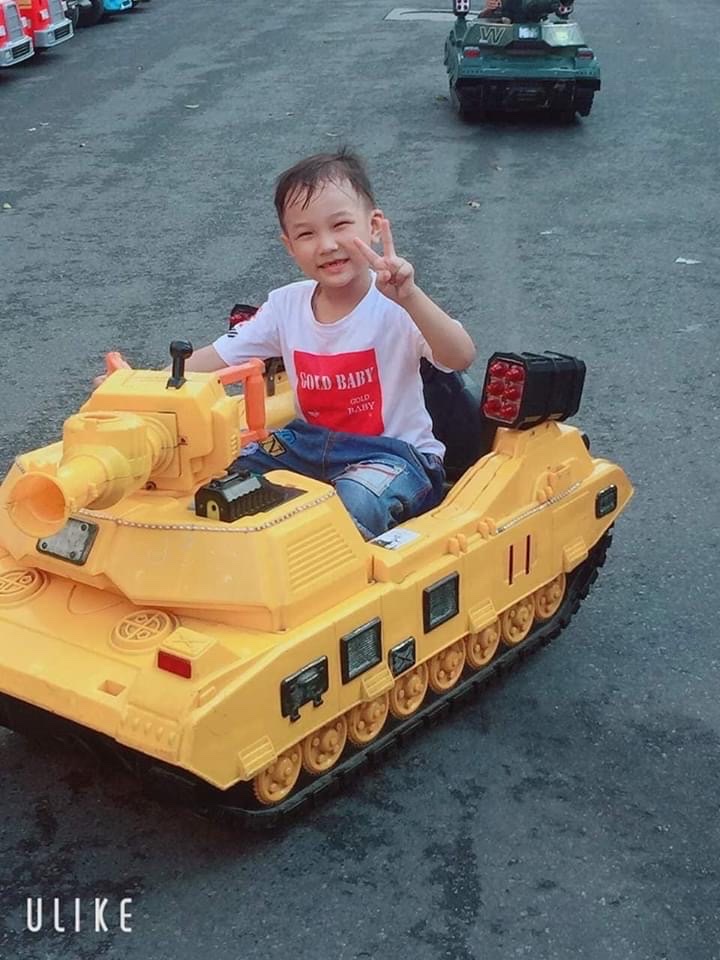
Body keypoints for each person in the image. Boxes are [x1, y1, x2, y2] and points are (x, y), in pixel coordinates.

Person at [134, 150, 475, 540]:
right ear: (289, 245)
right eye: (306, 234)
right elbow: (214, 357)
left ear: (374, 227)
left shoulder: (397, 303)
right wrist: (136, 386)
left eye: (340, 225)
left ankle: (327, 567)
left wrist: (411, 297)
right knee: (218, 474)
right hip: (308, 446)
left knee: (356, 499)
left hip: (393, 455)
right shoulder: (285, 305)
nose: (326, 245)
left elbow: (460, 355)